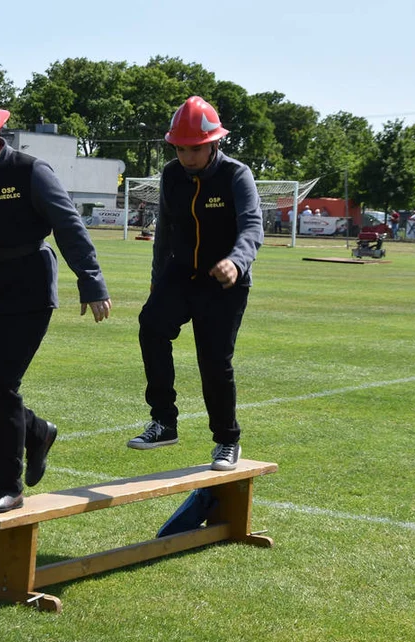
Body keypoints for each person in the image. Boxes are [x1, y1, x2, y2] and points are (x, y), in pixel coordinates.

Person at [0, 86, 112, 514]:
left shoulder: (31, 171)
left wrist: (91, 281)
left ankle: (7, 487)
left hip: (29, 291)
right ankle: (36, 431)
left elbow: (69, 226)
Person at [127, 95, 263, 474]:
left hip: (225, 282)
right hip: (181, 273)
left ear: (215, 143)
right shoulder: (171, 176)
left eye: (195, 149)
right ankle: (164, 422)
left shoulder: (237, 175)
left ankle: (226, 440)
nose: (186, 156)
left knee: (214, 362)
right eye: (180, 148)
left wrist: (236, 262)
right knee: (151, 324)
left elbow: (252, 225)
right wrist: (157, 283)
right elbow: (165, 233)